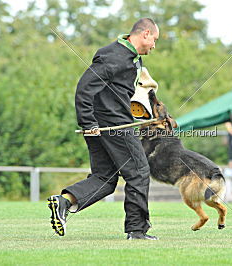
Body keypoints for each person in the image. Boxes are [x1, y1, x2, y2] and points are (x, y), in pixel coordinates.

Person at [47, 18, 159, 240]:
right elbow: (84, 88)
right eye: (154, 40)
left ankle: (64, 202)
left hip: (104, 125)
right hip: (112, 125)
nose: (154, 46)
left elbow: (120, 93)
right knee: (139, 172)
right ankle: (137, 231)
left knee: (105, 179)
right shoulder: (114, 56)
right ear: (145, 34)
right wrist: (88, 123)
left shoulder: (130, 59)